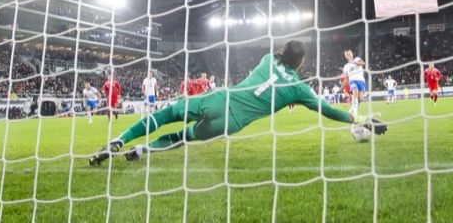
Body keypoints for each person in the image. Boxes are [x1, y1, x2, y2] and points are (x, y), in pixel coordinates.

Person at [89, 40, 387, 166]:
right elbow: (329, 110)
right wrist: (359, 120)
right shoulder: (300, 89)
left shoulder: (268, 58)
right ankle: (141, 151)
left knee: (167, 114)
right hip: (228, 123)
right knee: (183, 136)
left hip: (219, 98)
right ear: (302, 62)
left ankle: (120, 140)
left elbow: (278, 57)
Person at [343, 50, 366, 116]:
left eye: (349, 54)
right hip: (352, 81)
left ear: (352, 54)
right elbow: (346, 78)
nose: (348, 55)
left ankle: (352, 109)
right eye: (346, 55)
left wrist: (352, 61)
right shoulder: (346, 66)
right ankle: (354, 114)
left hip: (361, 81)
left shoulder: (357, 59)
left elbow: (362, 63)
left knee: (360, 99)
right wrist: (342, 88)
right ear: (345, 56)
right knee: (355, 93)